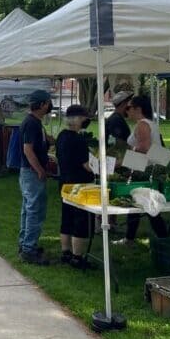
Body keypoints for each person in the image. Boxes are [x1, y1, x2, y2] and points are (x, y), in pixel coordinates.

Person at [114, 95, 169, 246]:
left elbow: (145, 149)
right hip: (147, 167)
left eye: (128, 107)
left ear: (138, 109)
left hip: (146, 170)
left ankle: (164, 240)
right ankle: (130, 239)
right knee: (138, 205)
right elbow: (155, 150)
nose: (126, 111)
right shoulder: (149, 123)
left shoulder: (142, 125)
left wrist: (126, 155)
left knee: (149, 208)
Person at [56, 105, 96, 268]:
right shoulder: (78, 140)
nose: (86, 121)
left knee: (67, 218)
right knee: (81, 219)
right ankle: (77, 256)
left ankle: (66, 252)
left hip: (65, 181)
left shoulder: (61, 136)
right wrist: (102, 168)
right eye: (84, 118)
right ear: (78, 119)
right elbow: (86, 164)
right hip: (79, 184)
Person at [17, 90, 53, 265]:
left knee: (27, 208)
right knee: (34, 210)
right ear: (42, 104)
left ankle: (24, 244)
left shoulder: (35, 122)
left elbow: (41, 142)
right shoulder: (31, 123)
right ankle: (29, 250)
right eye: (47, 102)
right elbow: (28, 149)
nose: (49, 105)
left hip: (27, 172)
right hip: (31, 172)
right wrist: (39, 169)